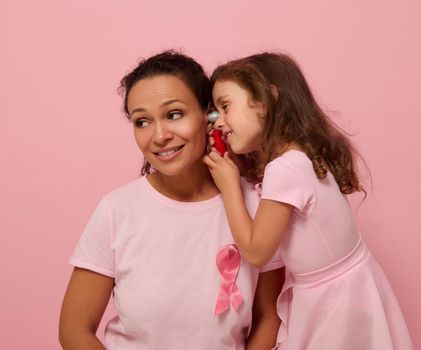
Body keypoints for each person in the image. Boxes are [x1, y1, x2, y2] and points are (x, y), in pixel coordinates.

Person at [59, 50, 284, 350]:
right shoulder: (117, 210)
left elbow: (269, 317)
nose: (159, 135)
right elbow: (74, 330)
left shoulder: (258, 204)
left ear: (210, 116)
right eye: (142, 122)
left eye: (174, 114)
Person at [203, 52, 413, 349]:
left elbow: (256, 251)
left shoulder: (284, 168)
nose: (219, 122)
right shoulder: (298, 155)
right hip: (344, 292)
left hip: (333, 302)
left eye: (225, 107)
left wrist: (229, 187)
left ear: (267, 100)